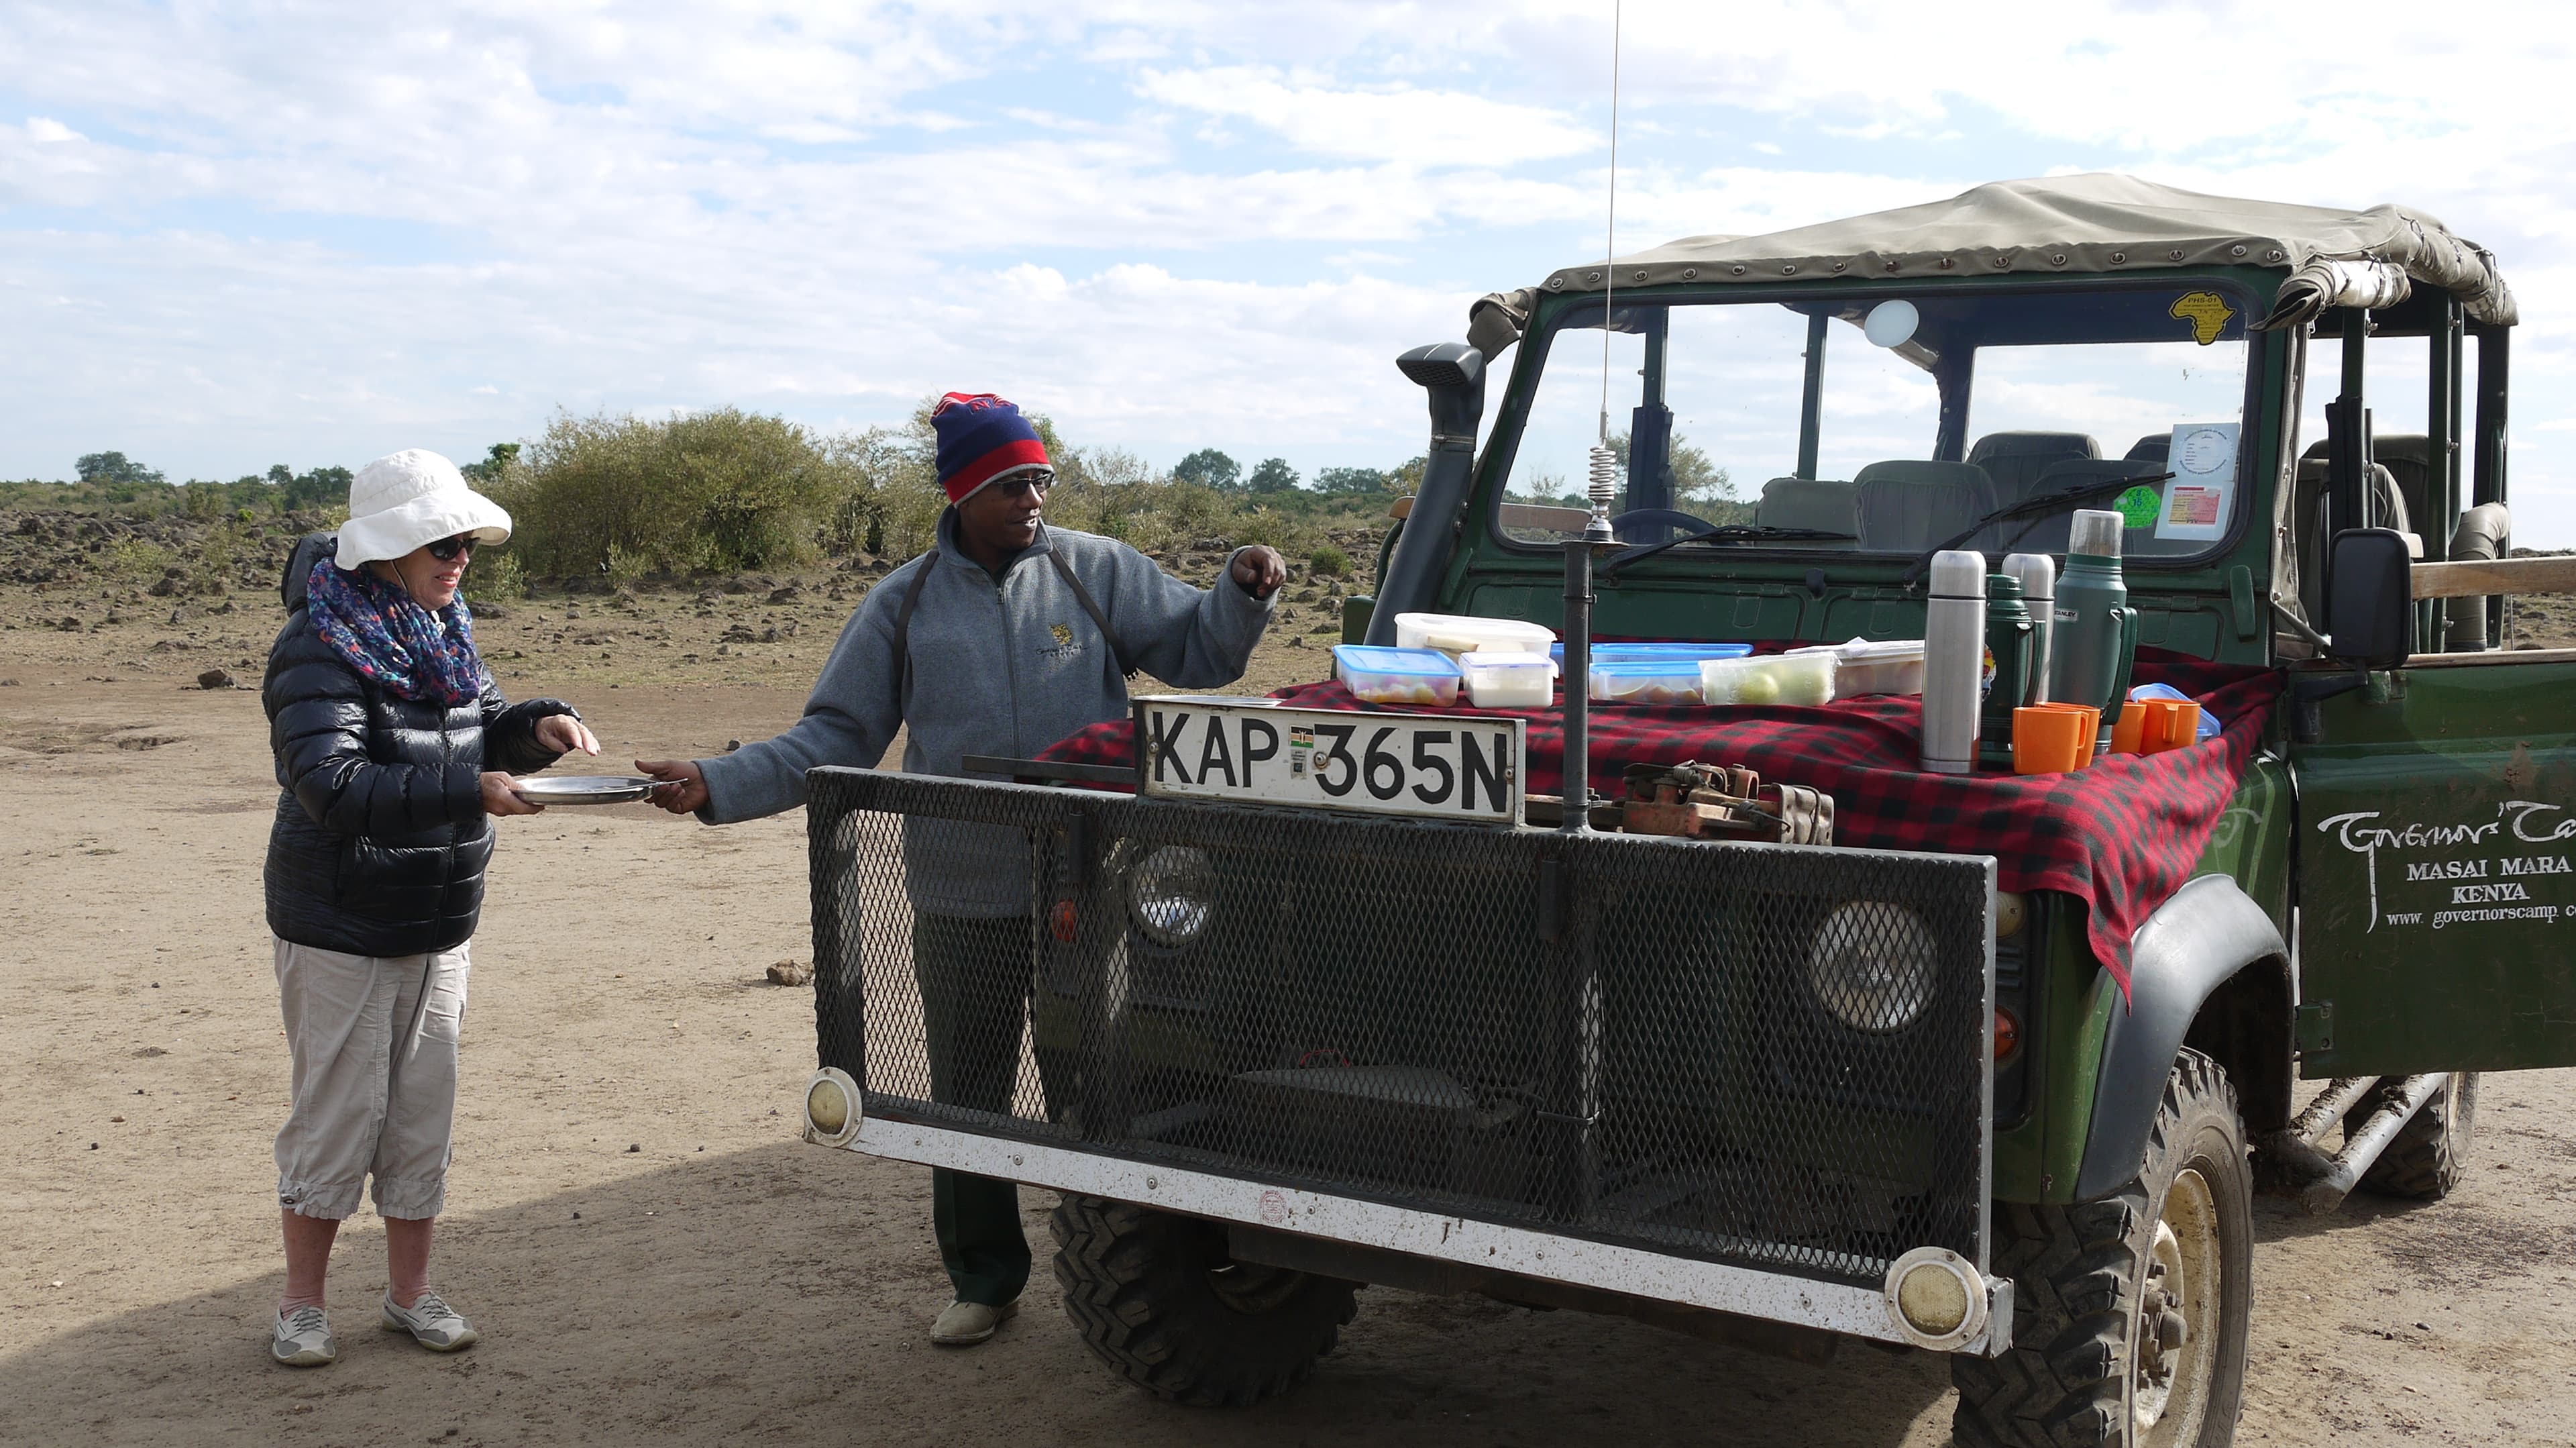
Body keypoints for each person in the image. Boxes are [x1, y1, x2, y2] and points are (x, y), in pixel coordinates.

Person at [638, 393, 1284, 1347]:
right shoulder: (901, 603)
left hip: (1093, 889)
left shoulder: (1093, 568)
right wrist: (719, 781)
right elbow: (836, 734)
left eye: (1040, 480)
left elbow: (1196, 651)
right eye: (1009, 483)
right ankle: (984, 1275)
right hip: (963, 886)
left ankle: (1130, 1273)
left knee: (1106, 1079)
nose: (1032, 497)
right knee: (966, 1089)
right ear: (961, 492)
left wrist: (1240, 588)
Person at [261, 449, 601, 1367]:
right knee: (335, 1115)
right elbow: (332, 783)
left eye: (466, 541)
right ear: (388, 546)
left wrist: (536, 727)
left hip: (439, 916)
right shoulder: (317, 644)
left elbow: (481, 729)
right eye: (441, 540)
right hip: (342, 921)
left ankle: (411, 1293)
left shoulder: (441, 628)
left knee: (422, 1114)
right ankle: (301, 1304)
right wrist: (469, 788)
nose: (459, 555)